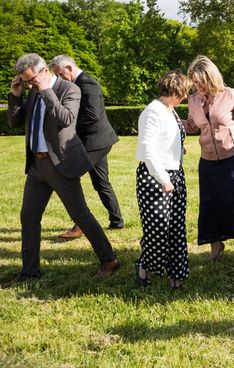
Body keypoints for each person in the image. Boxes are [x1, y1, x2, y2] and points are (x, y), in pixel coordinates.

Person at [8, 53, 119, 281]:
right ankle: (30, 271)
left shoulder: (70, 89)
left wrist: (46, 91)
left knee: (80, 214)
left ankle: (109, 259)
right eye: (26, 81)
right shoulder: (30, 92)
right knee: (28, 217)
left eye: (32, 80)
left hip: (60, 164)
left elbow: (66, 118)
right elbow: (15, 122)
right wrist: (16, 96)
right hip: (36, 167)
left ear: (45, 72)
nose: (30, 84)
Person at [183, 55, 234, 264]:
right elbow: (191, 124)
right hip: (207, 160)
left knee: (233, 198)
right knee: (209, 202)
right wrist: (169, 120)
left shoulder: (229, 95)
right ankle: (215, 243)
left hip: (233, 156)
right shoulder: (193, 100)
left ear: (210, 78)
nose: (197, 86)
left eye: (200, 82)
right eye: (194, 82)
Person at [48, 55, 124, 239]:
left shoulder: (88, 84)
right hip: (97, 141)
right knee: (101, 182)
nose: (59, 78)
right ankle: (117, 221)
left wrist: (69, 126)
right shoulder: (78, 83)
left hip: (95, 142)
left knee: (71, 176)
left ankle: (81, 225)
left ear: (69, 68)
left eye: (59, 74)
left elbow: (91, 116)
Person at [135, 70, 191, 289]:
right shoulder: (153, 111)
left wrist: (178, 149)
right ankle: (145, 265)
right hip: (154, 177)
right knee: (157, 228)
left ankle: (175, 275)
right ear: (174, 90)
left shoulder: (171, 111)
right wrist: (163, 179)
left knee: (176, 228)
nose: (185, 97)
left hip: (175, 174)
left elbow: (167, 138)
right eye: (184, 92)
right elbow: (148, 149)